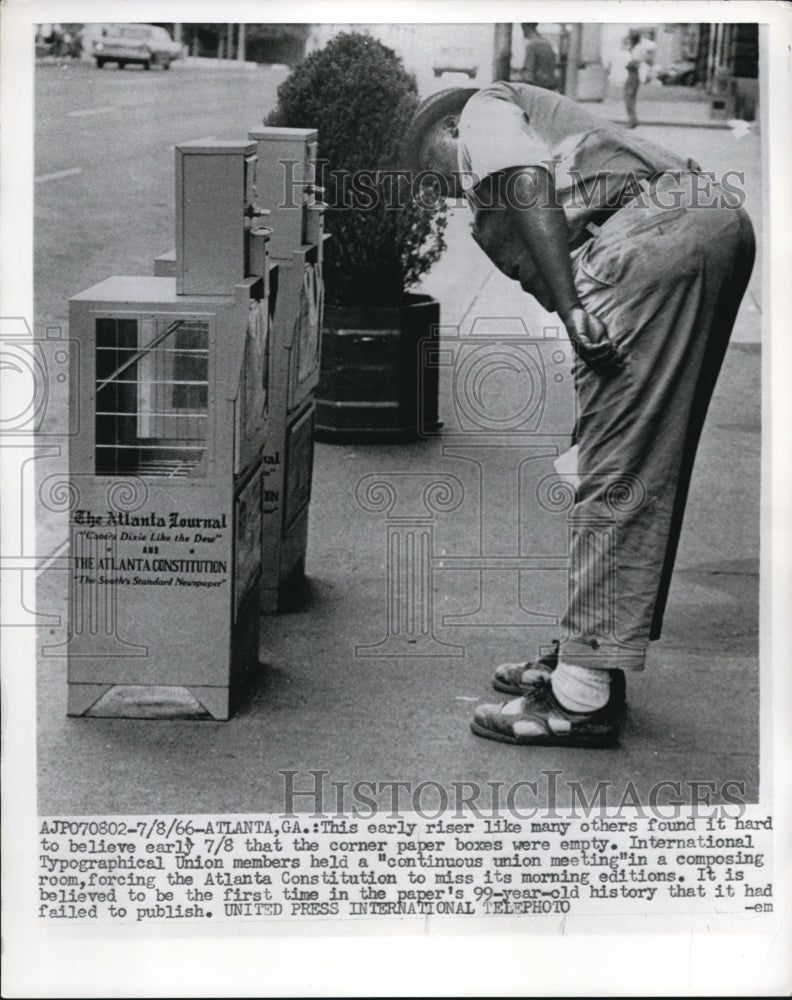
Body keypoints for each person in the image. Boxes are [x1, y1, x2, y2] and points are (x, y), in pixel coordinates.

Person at [403, 83, 755, 747]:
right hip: (698, 226)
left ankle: (580, 694)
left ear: (450, 123)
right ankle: (590, 653)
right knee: (629, 454)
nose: (449, 184)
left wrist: (570, 309)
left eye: (436, 163)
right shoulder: (540, 146)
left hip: (656, 241)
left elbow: (526, 182)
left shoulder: (484, 110)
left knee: (619, 464)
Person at [517, 23, 559, 90]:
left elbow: (528, 74)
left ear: (525, 28)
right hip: (549, 86)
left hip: (537, 86)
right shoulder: (547, 43)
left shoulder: (532, 46)